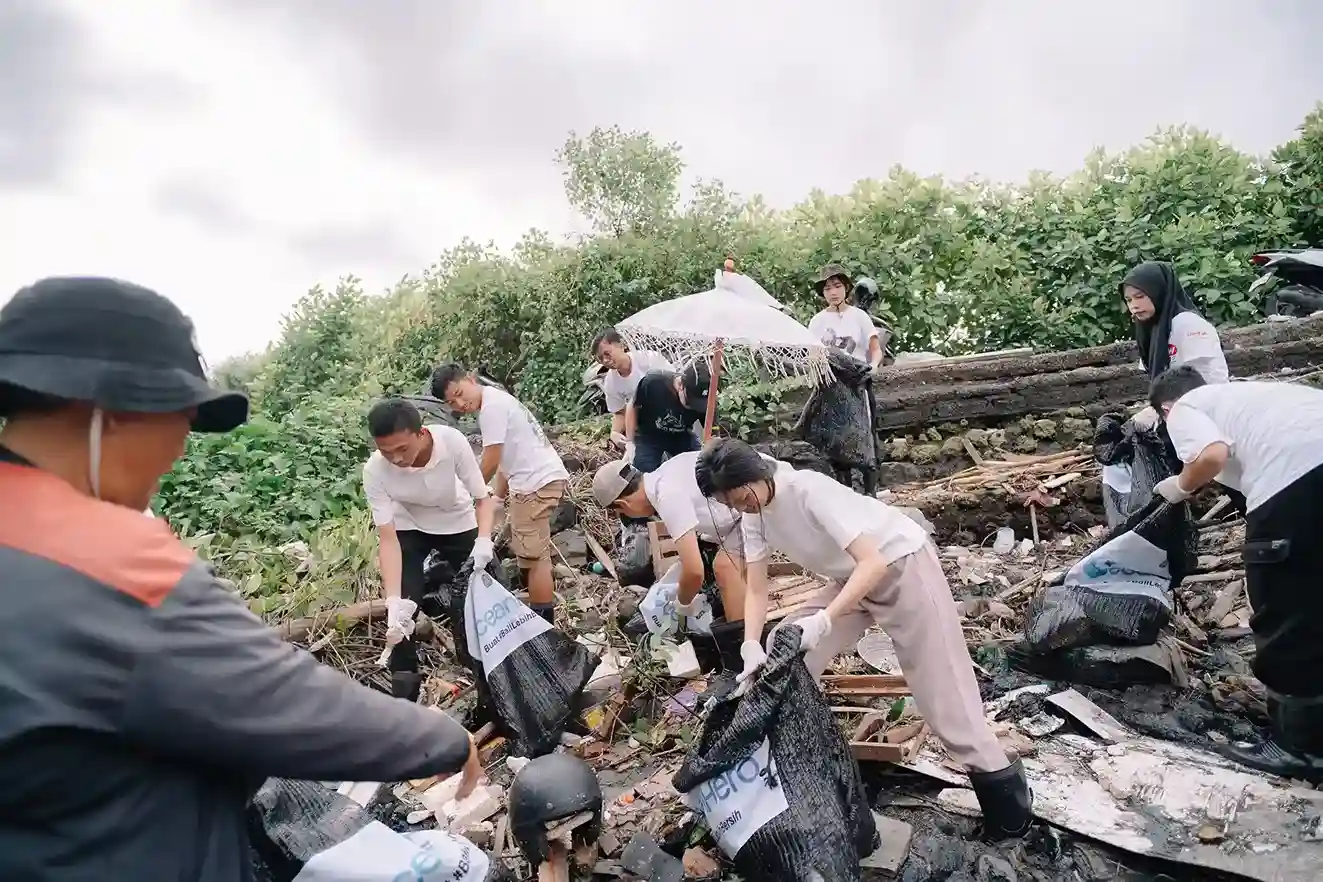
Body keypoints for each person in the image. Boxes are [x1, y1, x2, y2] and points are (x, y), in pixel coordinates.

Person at [0, 277, 481, 882]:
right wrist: (440, 736)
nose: (179, 449)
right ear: (112, 412)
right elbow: (283, 701)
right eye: (179, 418)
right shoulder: (106, 556)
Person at [694, 438, 1033, 839]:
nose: (741, 507)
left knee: (944, 699)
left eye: (741, 497)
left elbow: (872, 562)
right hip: (852, 580)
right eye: (731, 504)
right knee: (786, 649)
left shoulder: (808, 491)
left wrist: (826, 618)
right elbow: (756, 587)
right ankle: (808, 762)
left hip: (901, 567)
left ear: (757, 475)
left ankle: (1010, 814)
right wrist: (750, 643)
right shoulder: (754, 512)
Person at [1148, 365, 1323, 780]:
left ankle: (1300, 748)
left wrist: (1180, 485)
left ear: (1166, 407)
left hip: (1299, 475)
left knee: (1286, 603)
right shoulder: (1254, 398)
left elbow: (1210, 455)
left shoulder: (1185, 408)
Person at [364, 397, 498, 702]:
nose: (396, 459)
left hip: (458, 523)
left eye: (402, 449)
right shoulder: (375, 470)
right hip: (409, 528)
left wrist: (484, 540)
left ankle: (494, 677)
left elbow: (482, 499)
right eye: (387, 453)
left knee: (489, 594)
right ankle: (405, 704)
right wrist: (393, 599)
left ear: (420, 434)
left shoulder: (451, 442)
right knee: (400, 622)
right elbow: (388, 539)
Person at [431, 363, 568, 622]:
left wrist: (465, 495)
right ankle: (537, 610)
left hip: (536, 484)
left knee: (534, 556)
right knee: (526, 553)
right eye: (452, 401)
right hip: (532, 482)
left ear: (471, 379)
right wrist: (498, 497)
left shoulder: (491, 409)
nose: (460, 403)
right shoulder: (494, 401)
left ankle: (544, 623)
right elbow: (504, 460)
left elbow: (491, 460)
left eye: (460, 393)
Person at [591, 452, 748, 676]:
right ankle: (745, 641)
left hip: (751, 507)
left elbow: (695, 572)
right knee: (723, 564)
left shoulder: (665, 496)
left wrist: (681, 606)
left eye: (622, 512)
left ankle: (740, 662)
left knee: (724, 567)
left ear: (622, 503)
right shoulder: (665, 473)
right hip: (746, 502)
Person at [1121, 260, 1229, 430]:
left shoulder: (1188, 324)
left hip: (1209, 412)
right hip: (1175, 411)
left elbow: (1198, 381)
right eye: (1128, 299)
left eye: (1140, 296)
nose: (1134, 305)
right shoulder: (1150, 329)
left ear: (1158, 292)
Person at [804, 264, 881, 493]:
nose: (833, 292)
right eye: (828, 288)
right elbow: (812, 355)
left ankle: (869, 494)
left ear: (846, 288)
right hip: (830, 386)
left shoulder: (859, 317)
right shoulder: (817, 322)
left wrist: (874, 366)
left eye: (837, 286)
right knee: (835, 444)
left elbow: (875, 349)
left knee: (863, 439)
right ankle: (844, 493)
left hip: (856, 384)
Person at [590, 327, 674, 449]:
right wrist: (614, 433)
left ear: (621, 345)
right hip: (645, 429)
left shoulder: (649, 359)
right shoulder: (610, 382)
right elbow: (619, 412)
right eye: (601, 358)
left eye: (607, 354)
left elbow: (677, 384)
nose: (605, 360)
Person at [625, 359, 711, 473]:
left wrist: (710, 453)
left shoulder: (707, 402)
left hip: (681, 436)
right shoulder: (653, 382)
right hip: (650, 435)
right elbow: (633, 406)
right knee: (644, 472)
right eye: (689, 401)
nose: (693, 407)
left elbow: (712, 433)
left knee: (700, 468)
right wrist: (630, 441)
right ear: (680, 385)